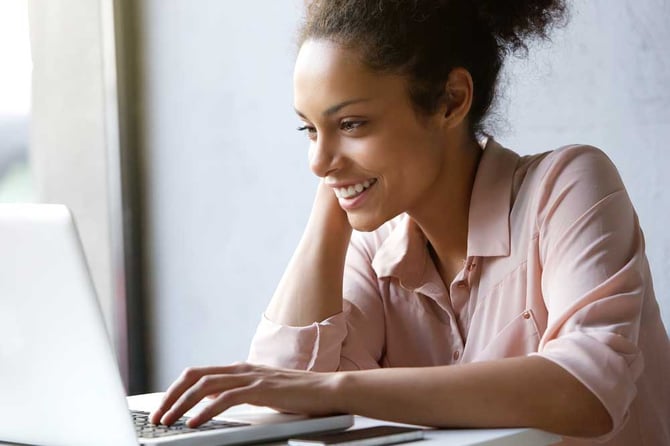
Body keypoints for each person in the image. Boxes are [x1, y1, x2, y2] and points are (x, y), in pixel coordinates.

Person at [149, 1, 670, 444]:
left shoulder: (567, 185)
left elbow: (588, 389)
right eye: (309, 129)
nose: (316, 159)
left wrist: (338, 391)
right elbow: (281, 404)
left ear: (451, 101)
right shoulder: (374, 245)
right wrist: (337, 191)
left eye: (352, 123)